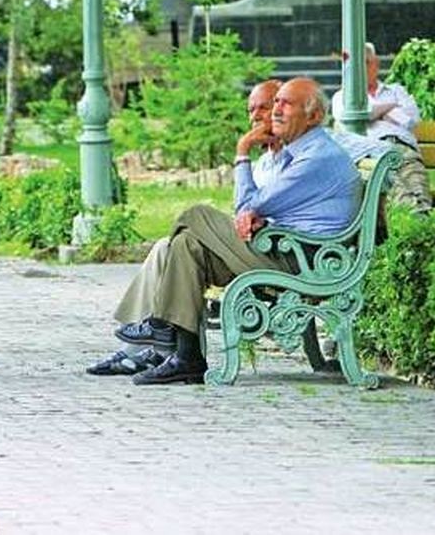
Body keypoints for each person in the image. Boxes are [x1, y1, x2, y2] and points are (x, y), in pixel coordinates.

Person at [93, 77, 361, 385]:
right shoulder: (298, 153)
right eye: (276, 103)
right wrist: (259, 217)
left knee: (195, 215)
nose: (275, 111)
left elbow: (248, 204)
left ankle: (162, 326)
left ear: (313, 116)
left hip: (302, 261)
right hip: (285, 248)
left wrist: (243, 150)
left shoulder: (316, 157)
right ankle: (187, 358)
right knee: (188, 246)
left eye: (285, 103)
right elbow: (260, 209)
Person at [86, 79, 287, 377]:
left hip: (272, 252)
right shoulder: (265, 163)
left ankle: (158, 336)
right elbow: (243, 209)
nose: (255, 116)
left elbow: (254, 207)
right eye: (251, 109)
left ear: (284, 109)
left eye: (264, 107)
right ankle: (151, 348)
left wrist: (242, 150)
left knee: (192, 218)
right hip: (252, 245)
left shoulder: (296, 157)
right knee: (171, 247)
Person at [331, 42, 431, 212]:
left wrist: (377, 112)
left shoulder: (396, 91)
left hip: (403, 147)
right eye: (356, 65)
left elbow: (410, 120)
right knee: (397, 186)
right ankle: (413, 214)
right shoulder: (342, 96)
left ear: (376, 64)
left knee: (417, 185)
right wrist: (390, 107)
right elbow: (361, 114)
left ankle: (422, 221)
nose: (361, 69)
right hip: (371, 151)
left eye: (366, 62)